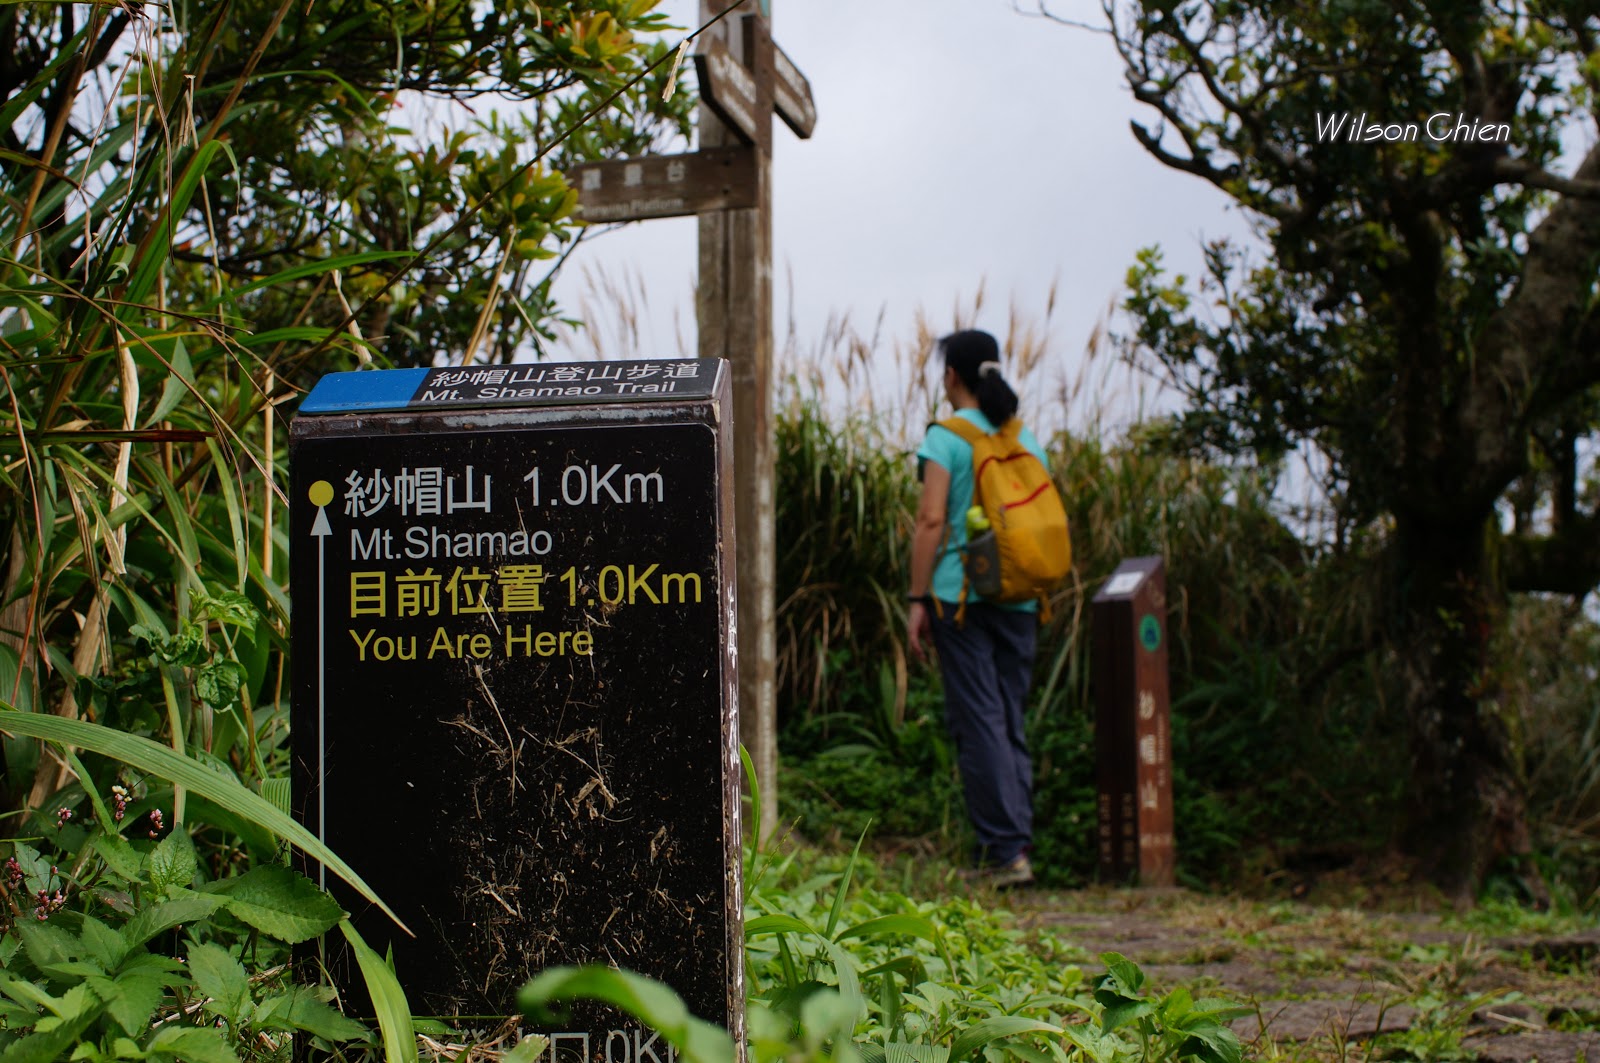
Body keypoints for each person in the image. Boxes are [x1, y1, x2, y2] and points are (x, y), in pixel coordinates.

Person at [907, 329, 1048, 889]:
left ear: (951, 376)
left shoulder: (946, 437)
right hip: (1020, 594)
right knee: (1009, 717)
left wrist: (917, 599)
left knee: (980, 719)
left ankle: (1003, 853)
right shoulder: (1023, 436)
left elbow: (930, 520)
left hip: (958, 598)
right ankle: (1017, 845)